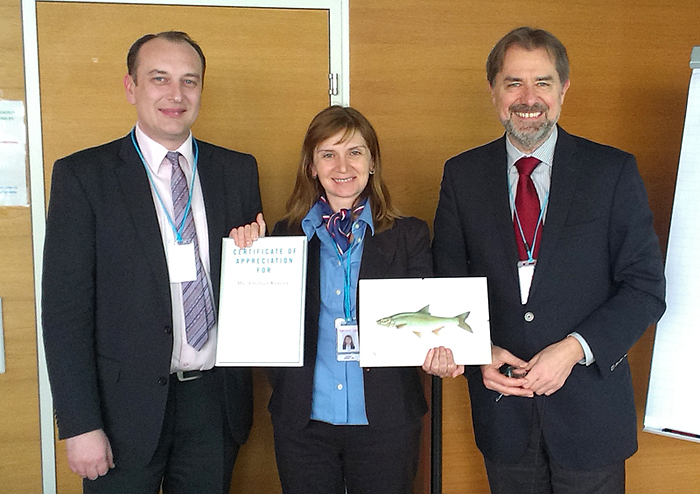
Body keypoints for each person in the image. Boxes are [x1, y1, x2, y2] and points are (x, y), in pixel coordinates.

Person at [432, 27, 666, 494]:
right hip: (504, 411)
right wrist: (480, 350)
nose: (528, 97)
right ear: (494, 91)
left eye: (542, 82)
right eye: (513, 82)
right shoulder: (462, 174)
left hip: (591, 415)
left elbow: (644, 288)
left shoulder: (611, 171)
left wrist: (574, 348)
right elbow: (447, 282)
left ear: (563, 90)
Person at [42, 31, 262, 493]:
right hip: (122, 410)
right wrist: (80, 424)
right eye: (159, 78)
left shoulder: (237, 171)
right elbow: (65, 313)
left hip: (213, 403)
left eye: (189, 81)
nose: (176, 94)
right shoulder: (84, 176)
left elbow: (252, 281)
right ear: (131, 87)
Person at [232, 105, 452, 494]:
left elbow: (429, 317)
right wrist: (246, 252)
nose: (342, 165)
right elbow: (260, 320)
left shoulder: (409, 237)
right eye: (328, 154)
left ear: (371, 163)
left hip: (386, 421)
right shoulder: (282, 239)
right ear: (311, 167)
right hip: (304, 423)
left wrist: (443, 352)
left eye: (355, 152)